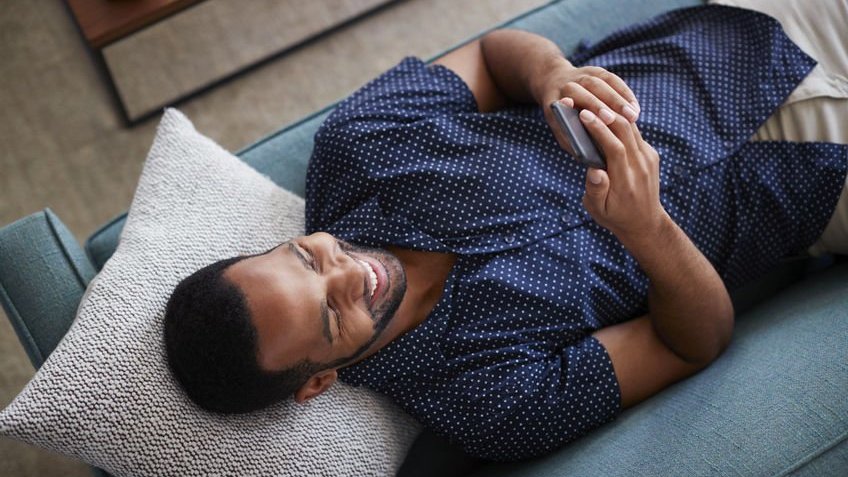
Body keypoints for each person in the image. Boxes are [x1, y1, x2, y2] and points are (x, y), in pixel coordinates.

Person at [163, 2, 848, 461]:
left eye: (306, 258)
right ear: (319, 381)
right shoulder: (486, 402)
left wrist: (550, 75)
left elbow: (491, 56)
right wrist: (650, 231)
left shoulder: (359, 147)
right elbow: (694, 342)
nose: (347, 272)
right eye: (327, 316)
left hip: (756, 31)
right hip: (813, 185)